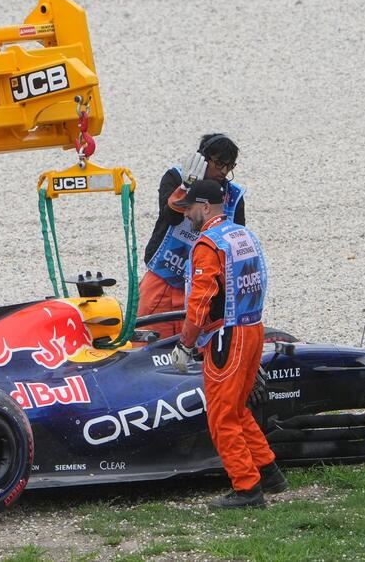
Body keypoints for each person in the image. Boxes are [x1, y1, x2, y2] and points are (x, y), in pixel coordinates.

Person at [168, 179, 285, 508]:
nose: (187, 214)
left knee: (222, 416)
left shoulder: (207, 245)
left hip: (226, 337)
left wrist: (185, 344)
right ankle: (269, 472)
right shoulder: (244, 235)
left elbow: (200, 302)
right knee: (238, 409)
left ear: (205, 207)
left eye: (190, 207)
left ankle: (247, 489)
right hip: (253, 329)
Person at [140, 133, 245, 337]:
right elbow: (170, 216)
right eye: (219, 163)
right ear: (202, 159)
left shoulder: (234, 197)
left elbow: (235, 244)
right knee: (145, 343)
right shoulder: (174, 178)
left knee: (196, 353)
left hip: (204, 286)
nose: (223, 171)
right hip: (163, 278)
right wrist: (186, 187)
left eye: (229, 166)